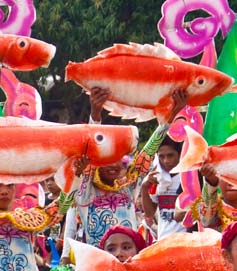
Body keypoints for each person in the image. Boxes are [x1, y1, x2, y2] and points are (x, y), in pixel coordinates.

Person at [64, 87, 187, 259]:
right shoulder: (86, 191)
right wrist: (96, 115)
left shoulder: (129, 186)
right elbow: (92, 146)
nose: (114, 164)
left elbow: (149, 151)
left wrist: (171, 115)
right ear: (97, 162)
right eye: (107, 159)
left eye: (118, 158)